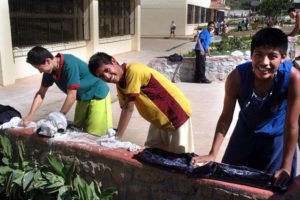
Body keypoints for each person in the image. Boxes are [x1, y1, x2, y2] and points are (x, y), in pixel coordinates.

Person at [192, 28, 300, 180]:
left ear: (283, 57)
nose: (264, 62)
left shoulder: (293, 79)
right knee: (228, 179)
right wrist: (212, 153)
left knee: (272, 185)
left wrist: (286, 167)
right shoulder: (237, 78)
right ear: (251, 55)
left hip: (275, 139)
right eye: (259, 55)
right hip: (245, 133)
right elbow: (225, 118)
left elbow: (292, 125)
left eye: (272, 56)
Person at [88, 53, 194, 153]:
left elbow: (128, 109)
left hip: (175, 114)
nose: (106, 77)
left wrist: (117, 138)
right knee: (152, 152)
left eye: (107, 70)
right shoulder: (120, 83)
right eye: (101, 76)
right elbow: (124, 107)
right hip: (159, 120)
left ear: (114, 61)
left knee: (180, 158)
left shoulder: (133, 70)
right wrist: (116, 132)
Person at [22, 46, 113, 136]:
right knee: (78, 131)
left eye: (40, 68)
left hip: (98, 94)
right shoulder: (49, 71)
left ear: (48, 61)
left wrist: (59, 117)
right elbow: (41, 93)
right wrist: (31, 114)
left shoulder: (69, 64)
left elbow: (72, 95)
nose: (40, 72)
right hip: (82, 97)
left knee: (96, 133)